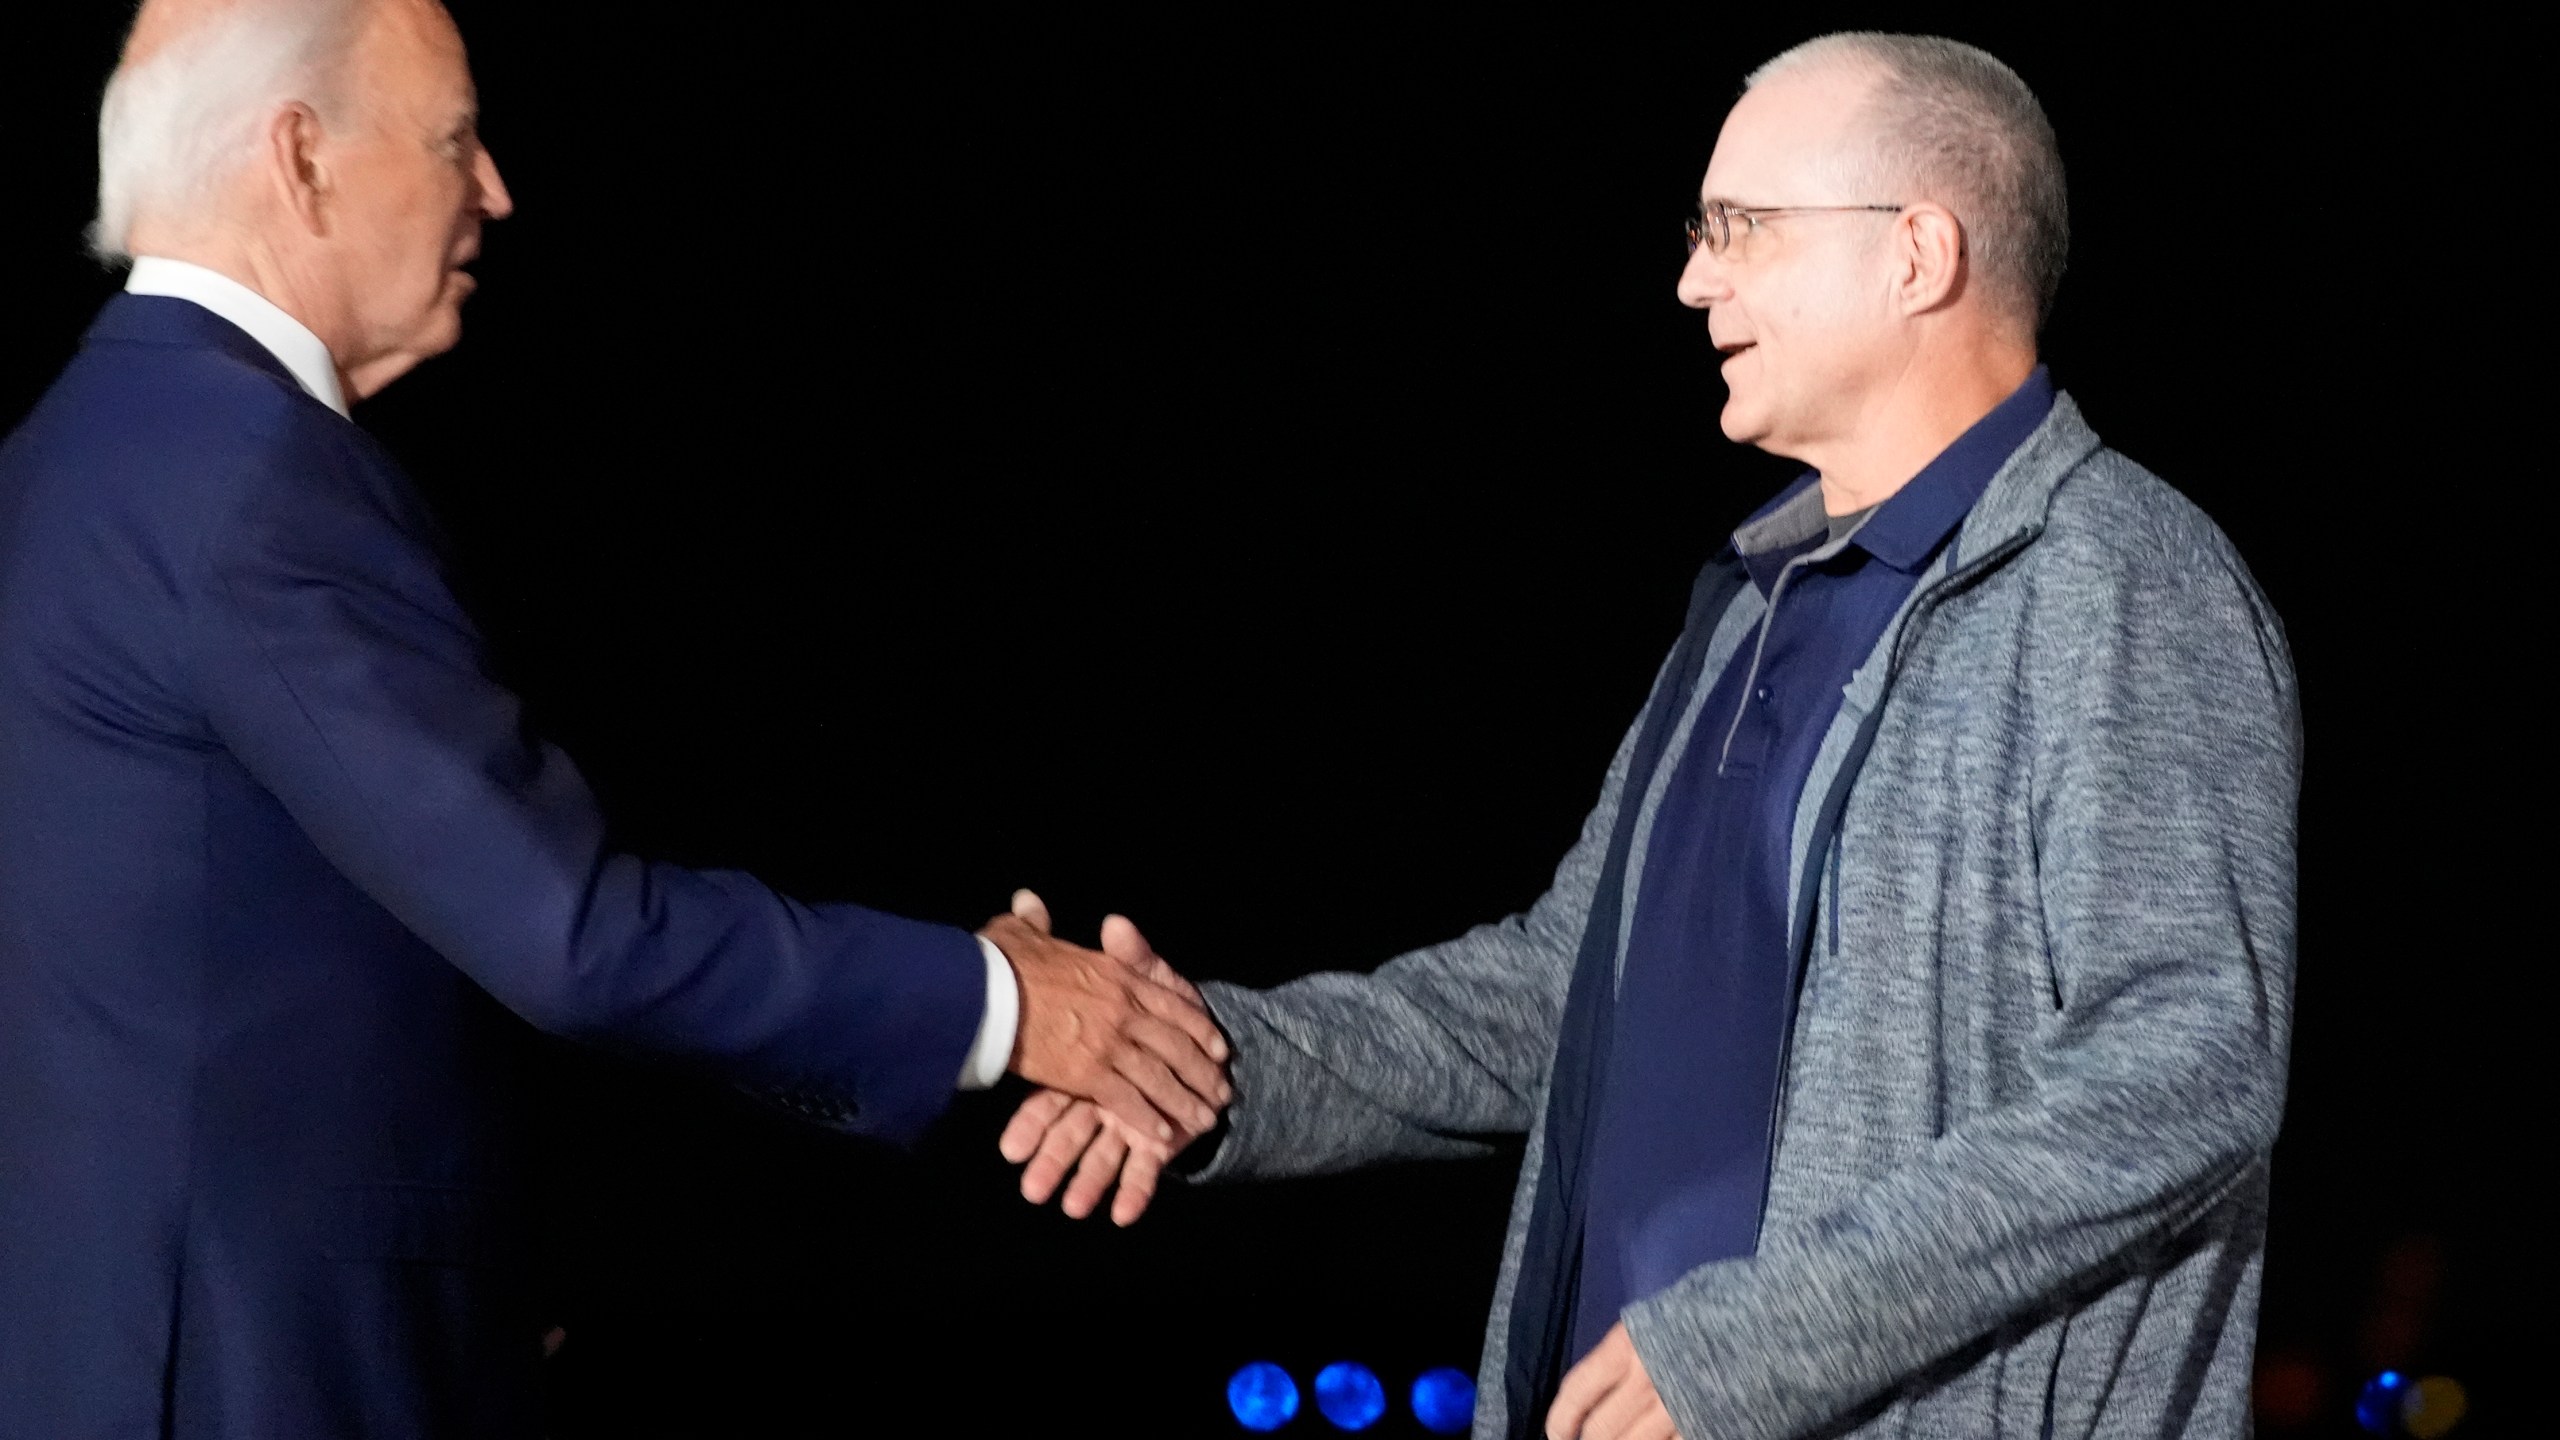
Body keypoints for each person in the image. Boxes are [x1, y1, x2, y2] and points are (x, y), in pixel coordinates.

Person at [1003, 31, 2301, 1440]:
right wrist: (1202, 1064)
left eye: (1742, 226)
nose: (1695, 276)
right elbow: (1558, 997)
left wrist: (1753, 1347)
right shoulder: (1749, 610)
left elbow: (2179, 1069)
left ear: (1918, 255)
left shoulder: (2119, 576)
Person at [0, 1, 1229, 1434]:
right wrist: (1008, 1003)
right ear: (303, 159)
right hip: (258, 1372)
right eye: (457, 138)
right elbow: (572, 937)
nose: (497, 189)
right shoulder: (244, 477)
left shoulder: (78, 446)